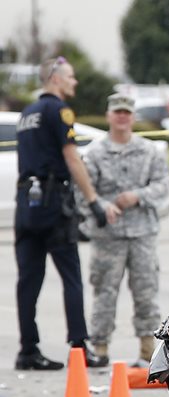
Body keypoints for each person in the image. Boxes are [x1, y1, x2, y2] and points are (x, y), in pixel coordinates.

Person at [13, 55, 118, 371]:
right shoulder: (59, 110)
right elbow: (72, 159)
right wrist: (94, 201)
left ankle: (28, 350)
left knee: (28, 281)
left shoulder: (27, 114)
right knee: (71, 276)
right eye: (70, 77)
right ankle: (78, 347)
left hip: (25, 206)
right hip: (53, 203)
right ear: (55, 79)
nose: (75, 82)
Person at [79, 93, 169, 367]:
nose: (122, 117)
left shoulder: (148, 150)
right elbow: (83, 191)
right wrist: (103, 206)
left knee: (146, 291)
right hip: (108, 234)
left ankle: (147, 350)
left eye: (127, 113)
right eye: (117, 112)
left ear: (133, 117)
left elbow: (163, 185)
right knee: (104, 292)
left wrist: (137, 196)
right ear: (109, 115)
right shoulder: (95, 153)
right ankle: (100, 347)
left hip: (142, 232)